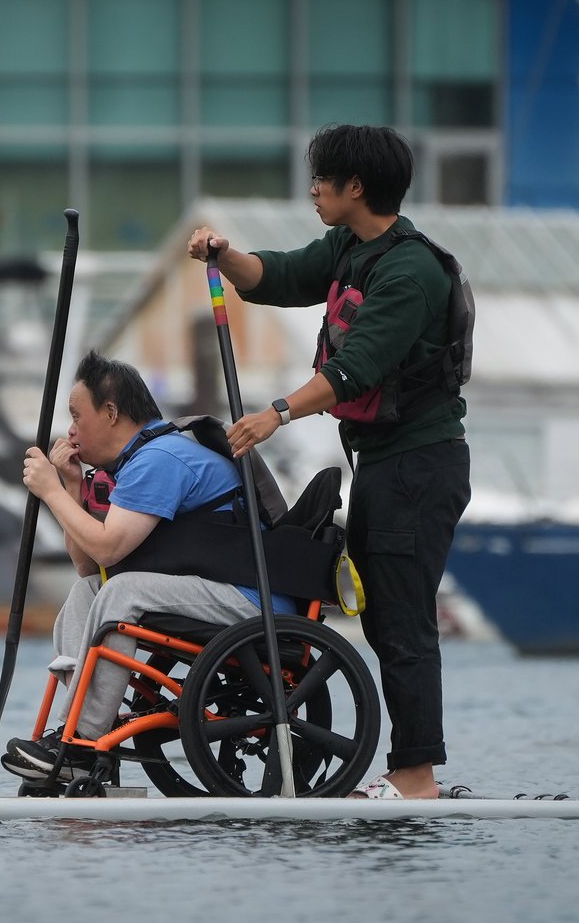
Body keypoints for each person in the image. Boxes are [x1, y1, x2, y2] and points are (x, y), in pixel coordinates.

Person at [187, 124, 471, 800]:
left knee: (402, 620)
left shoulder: (411, 271)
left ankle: (415, 778)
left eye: (322, 179)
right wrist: (226, 256)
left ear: (357, 188)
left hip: (420, 466)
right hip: (382, 462)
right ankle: (410, 774)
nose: (313, 189)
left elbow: (356, 368)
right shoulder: (349, 246)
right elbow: (280, 276)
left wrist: (276, 414)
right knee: (383, 619)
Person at [3, 351, 293, 782]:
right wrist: (71, 487)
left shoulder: (159, 459)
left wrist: (51, 494)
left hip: (254, 599)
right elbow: (87, 567)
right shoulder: (142, 459)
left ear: (111, 412)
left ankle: (83, 740)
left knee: (124, 591)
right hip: (216, 587)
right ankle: (78, 725)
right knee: (88, 592)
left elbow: (108, 549)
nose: (70, 430)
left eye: (77, 416)